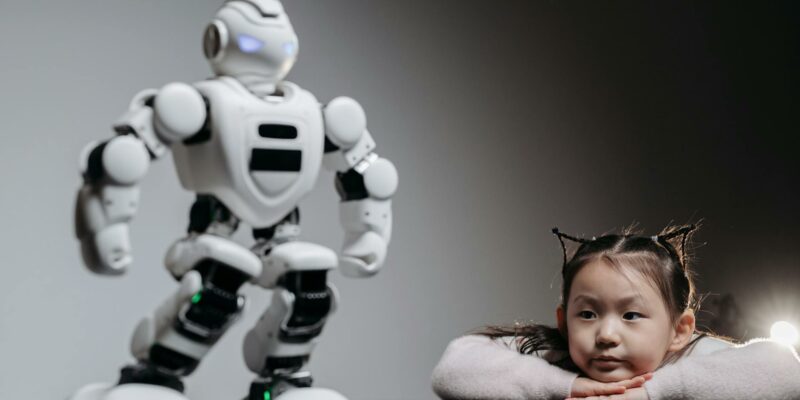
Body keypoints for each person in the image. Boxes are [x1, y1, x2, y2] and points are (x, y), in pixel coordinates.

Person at [431, 225, 800, 400]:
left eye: (631, 316)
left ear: (679, 329)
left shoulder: (688, 359)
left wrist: (653, 393)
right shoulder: (555, 358)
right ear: (563, 321)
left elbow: (785, 370)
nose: (606, 334)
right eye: (588, 315)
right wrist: (565, 387)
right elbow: (454, 366)